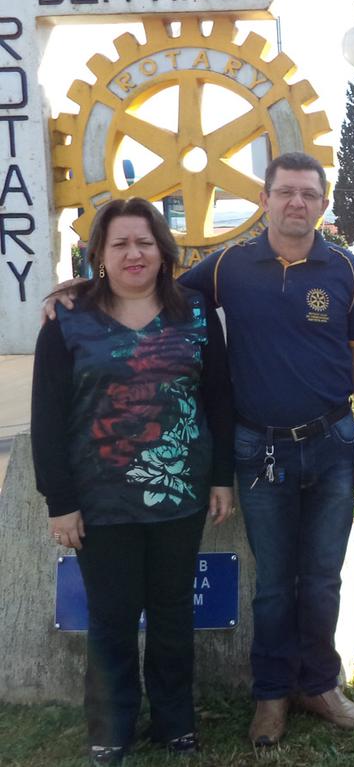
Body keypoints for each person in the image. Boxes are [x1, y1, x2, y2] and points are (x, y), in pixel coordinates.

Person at [47, 152, 354, 747]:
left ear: (323, 205)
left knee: (323, 578)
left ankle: (320, 685)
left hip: (333, 443)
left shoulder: (346, 270)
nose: (296, 203)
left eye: (309, 194)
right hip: (260, 451)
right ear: (265, 199)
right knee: (275, 582)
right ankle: (272, 695)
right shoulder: (227, 267)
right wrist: (80, 285)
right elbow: (147, 285)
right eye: (285, 192)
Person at [32, 197, 235, 765]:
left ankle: (175, 723)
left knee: (173, 613)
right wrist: (61, 502)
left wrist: (221, 479)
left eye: (144, 242)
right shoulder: (67, 320)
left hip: (180, 493)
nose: (133, 253)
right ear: (99, 253)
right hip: (100, 500)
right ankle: (111, 727)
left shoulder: (195, 313)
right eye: (120, 243)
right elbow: (48, 417)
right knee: (113, 618)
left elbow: (219, 399)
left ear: (162, 250)